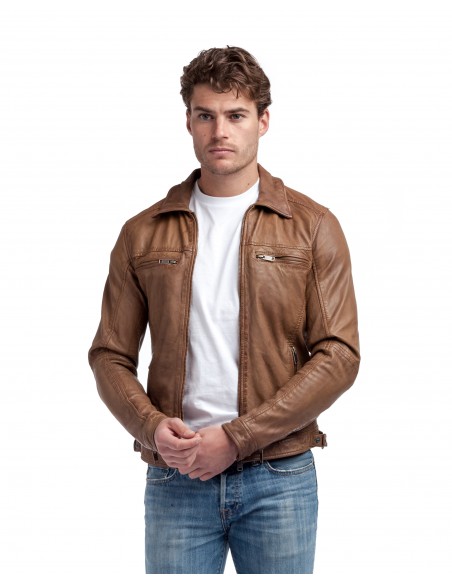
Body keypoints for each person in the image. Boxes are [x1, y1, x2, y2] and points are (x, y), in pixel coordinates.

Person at [88, 46, 360, 574]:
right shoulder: (142, 233)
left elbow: (339, 355)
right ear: (188, 121)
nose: (220, 132)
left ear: (263, 120)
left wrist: (238, 438)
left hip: (278, 476)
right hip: (176, 476)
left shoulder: (312, 226)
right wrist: (149, 427)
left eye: (236, 115)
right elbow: (109, 355)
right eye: (205, 115)